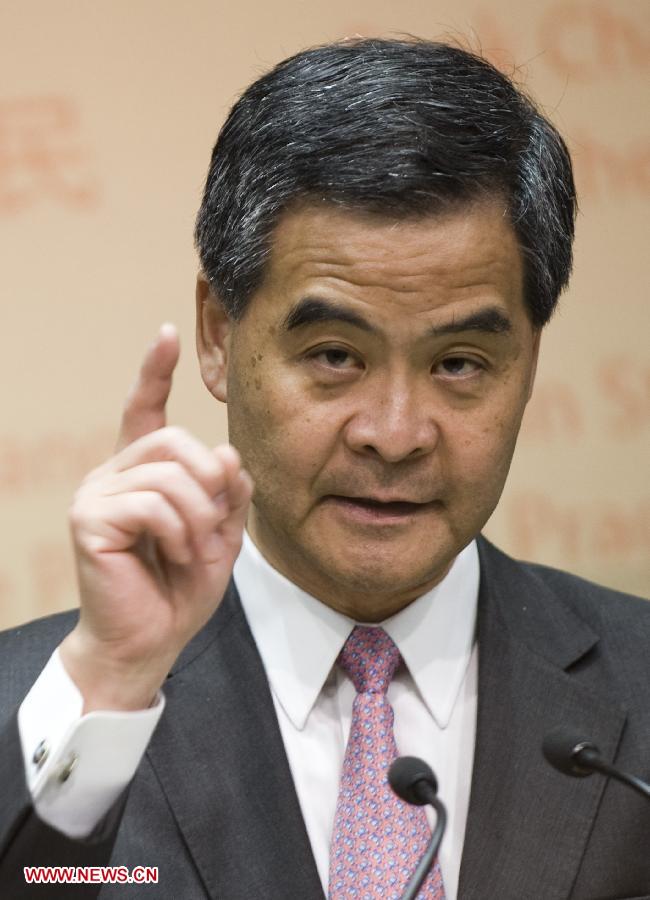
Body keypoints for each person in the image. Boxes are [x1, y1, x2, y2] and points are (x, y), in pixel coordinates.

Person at [0, 37, 648, 900]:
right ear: (219, 335)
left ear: (529, 361)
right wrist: (113, 680)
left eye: (459, 364)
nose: (394, 433)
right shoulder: (47, 704)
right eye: (336, 354)